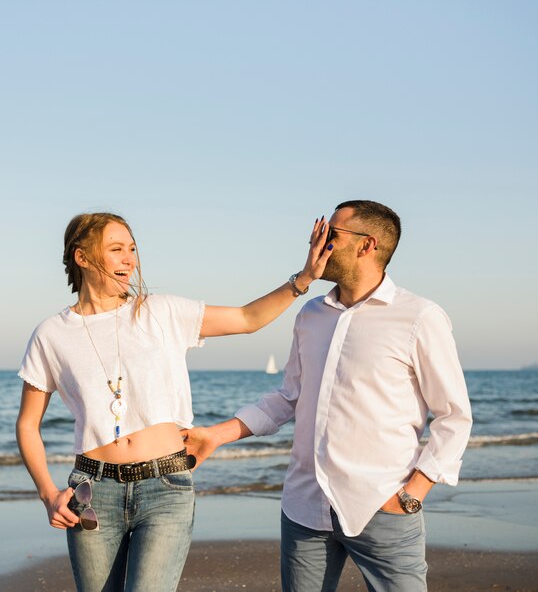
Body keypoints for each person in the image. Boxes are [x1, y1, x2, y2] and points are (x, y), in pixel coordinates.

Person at [16, 211, 332, 592]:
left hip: (164, 486)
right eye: (116, 249)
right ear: (81, 257)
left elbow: (248, 318)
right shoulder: (51, 334)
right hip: (91, 489)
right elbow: (28, 424)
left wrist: (304, 279)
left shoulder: (160, 311)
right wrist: (49, 494)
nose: (129, 259)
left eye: (132, 249)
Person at [183, 200, 473, 592]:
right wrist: (217, 434)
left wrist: (412, 495)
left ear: (367, 245)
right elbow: (289, 397)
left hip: (382, 506)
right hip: (304, 508)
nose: (316, 242)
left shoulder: (420, 317)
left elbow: (454, 416)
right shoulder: (310, 315)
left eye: (330, 234)